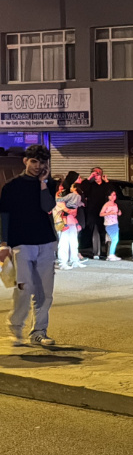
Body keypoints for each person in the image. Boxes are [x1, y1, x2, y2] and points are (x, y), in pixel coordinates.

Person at [0, 145, 59, 347]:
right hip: (21, 244)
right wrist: (3, 244)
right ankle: (15, 326)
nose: (38, 166)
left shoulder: (49, 183)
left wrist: (43, 184)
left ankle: (39, 331)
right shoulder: (11, 186)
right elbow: (4, 216)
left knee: (45, 292)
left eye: (42, 162)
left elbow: (48, 207)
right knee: (24, 288)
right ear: (25, 161)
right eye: (34, 161)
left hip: (46, 242)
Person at [79, 167, 113, 259]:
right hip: (92, 212)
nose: (97, 175)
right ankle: (95, 252)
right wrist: (90, 178)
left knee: (104, 232)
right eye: (95, 173)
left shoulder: (105, 185)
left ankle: (106, 252)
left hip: (104, 211)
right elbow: (81, 188)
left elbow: (112, 193)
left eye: (99, 173)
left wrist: (107, 182)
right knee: (94, 231)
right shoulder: (90, 185)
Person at [54, 178, 86, 270]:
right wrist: (72, 210)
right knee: (63, 243)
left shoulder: (64, 197)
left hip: (71, 221)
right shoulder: (57, 199)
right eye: (60, 186)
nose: (62, 188)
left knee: (74, 242)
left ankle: (74, 260)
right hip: (63, 223)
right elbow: (67, 210)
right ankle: (63, 263)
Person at [100, 190, 122, 261]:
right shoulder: (106, 204)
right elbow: (101, 214)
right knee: (114, 239)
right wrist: (109, 213)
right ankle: (111, 254)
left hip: (115, 223)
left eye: (114, 195)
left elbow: (116, 213)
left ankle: (111, 254)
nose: (113, 197)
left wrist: (118, 213)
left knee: (115, 239)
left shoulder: (115, 205)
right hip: (109, 224)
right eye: (111, 195)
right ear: (108, 196)